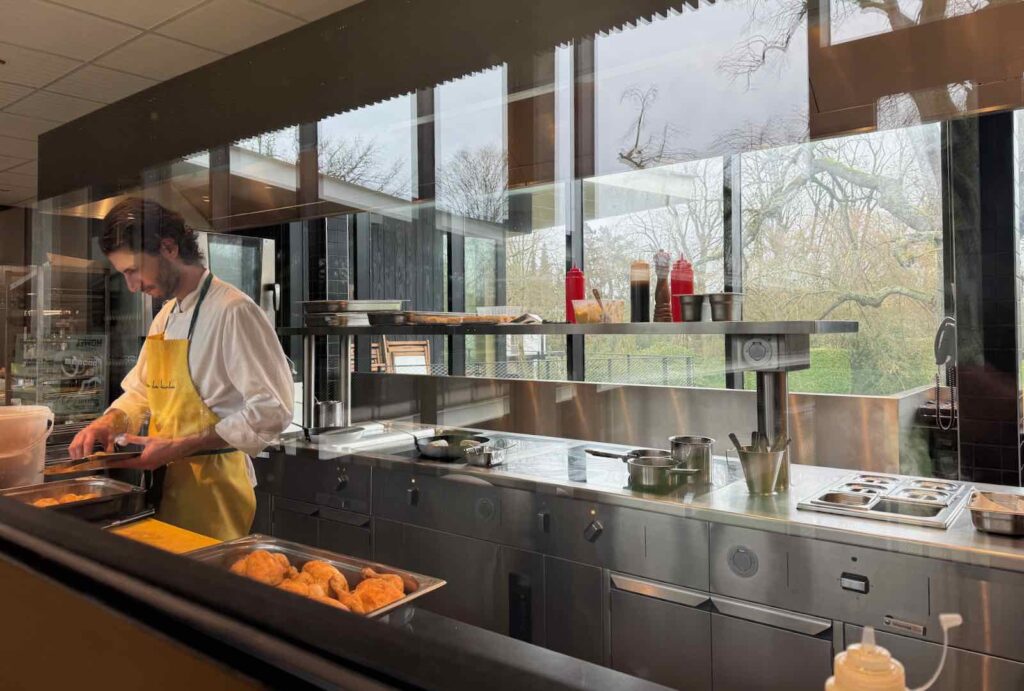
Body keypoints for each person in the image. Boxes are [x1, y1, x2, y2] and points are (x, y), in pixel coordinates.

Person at [70, 199, 293, 540]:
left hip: (215, 491)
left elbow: (273, 410)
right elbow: (141, 391)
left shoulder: (233, 311)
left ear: (169, 248)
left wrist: (182, 446)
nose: (132, 285)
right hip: (165, 485)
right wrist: (109, 421)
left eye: (133, 270)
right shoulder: (166, 315)